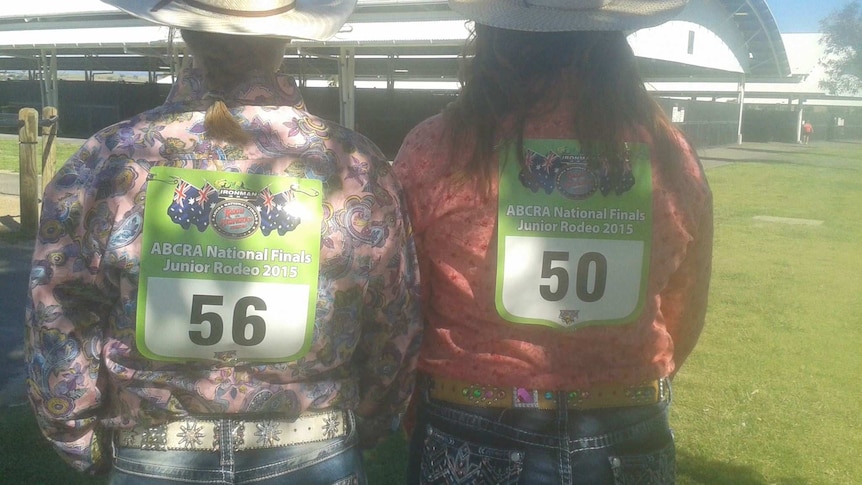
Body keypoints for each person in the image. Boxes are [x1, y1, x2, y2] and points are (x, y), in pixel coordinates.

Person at [25, 1, 423, 483]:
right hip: (314, 446)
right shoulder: (355, 166)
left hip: (153, 449)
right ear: (285, 40)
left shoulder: (110, 158)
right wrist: (369, 424)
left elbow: (58, 313)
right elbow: (395, 324)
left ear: (184, 36)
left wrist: (76, 435)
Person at [393, 0, 712, 483]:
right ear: (610, 42)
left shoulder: (437, 147)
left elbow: (403, 305)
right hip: (626, 425)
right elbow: (685, 306)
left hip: (475, 422)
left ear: (493, 38)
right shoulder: (671, 155)